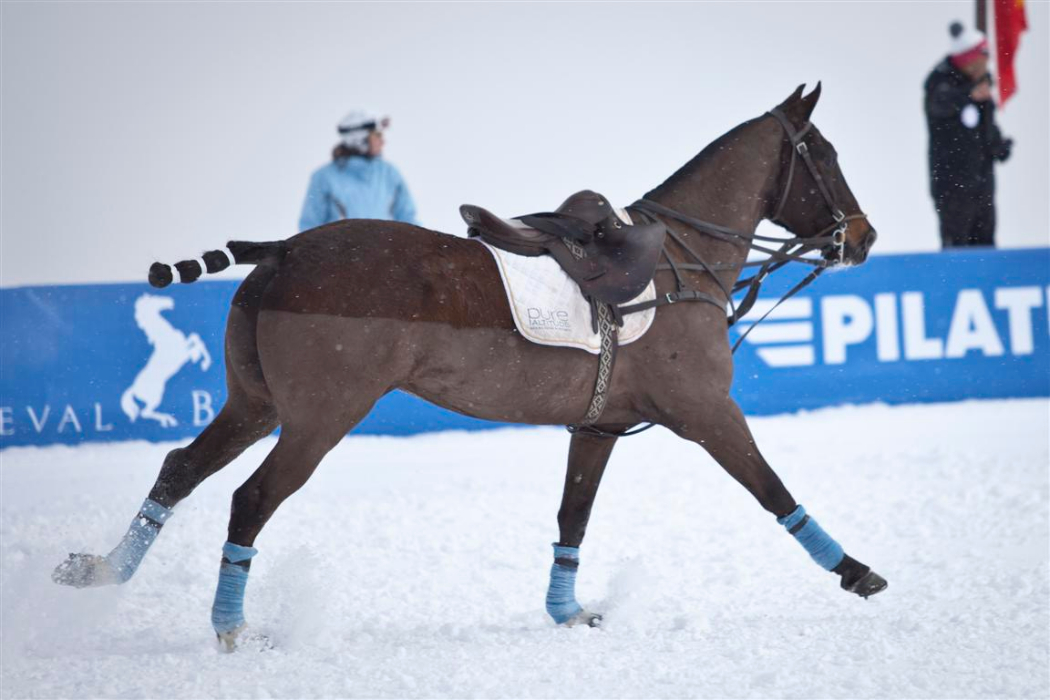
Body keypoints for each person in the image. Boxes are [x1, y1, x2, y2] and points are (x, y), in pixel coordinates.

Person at [924, 22, 1013, 248]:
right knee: (956, 248)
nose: (987, 64)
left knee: (986, 247)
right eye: (983, 60)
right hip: (952, 187)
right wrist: (969, 95)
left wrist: (998, 146)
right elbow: (939, 104)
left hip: (982, 186)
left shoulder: (981, 84)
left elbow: (985, 128)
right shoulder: (939, 81)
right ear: (969, 61)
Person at [299, 110, 418, 231]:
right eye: (377, 135)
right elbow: (309, 227)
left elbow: (409, 220)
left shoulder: (389, 173)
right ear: (360, 139)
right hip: (339, 249)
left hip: (383, 249)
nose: (383, 141)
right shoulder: (324, 177)